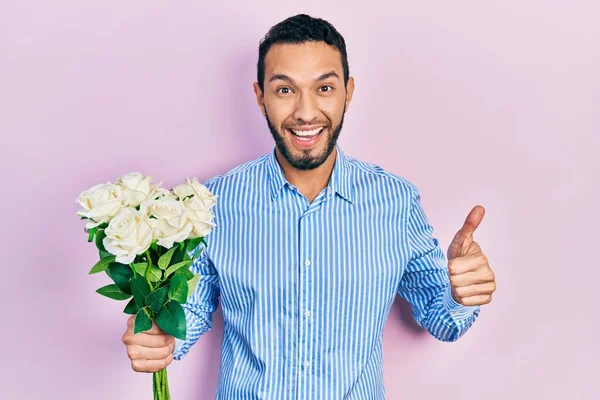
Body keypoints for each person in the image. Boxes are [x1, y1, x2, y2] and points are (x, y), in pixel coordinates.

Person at [121, 13, 496, 399]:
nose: (305, 112)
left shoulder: (395, 203)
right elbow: (190, 314)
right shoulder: (212, 204)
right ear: (260, 96)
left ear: (348, 92)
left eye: (324, 88)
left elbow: (442, 321)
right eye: (285, 90)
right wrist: (159, 337)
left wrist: (459, 294)